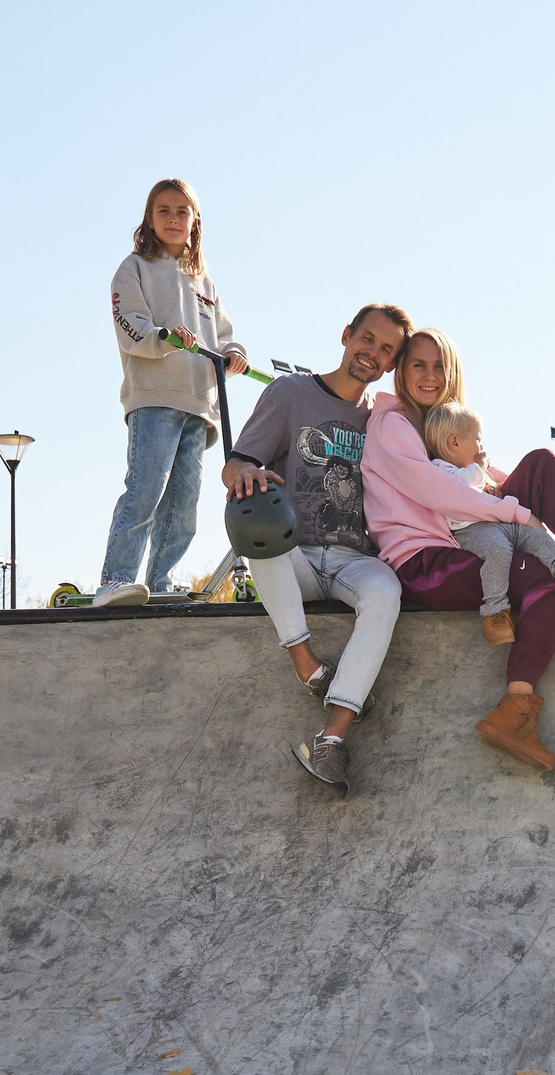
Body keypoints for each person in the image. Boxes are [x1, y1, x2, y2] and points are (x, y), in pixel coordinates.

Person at [358, 327, 555, 772]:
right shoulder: (393, 424)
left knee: (543, 464)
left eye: (439, 366)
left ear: (451, 374)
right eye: (418, 365)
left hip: (465, 543)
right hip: (425, 561)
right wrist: (518, 514)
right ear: (402, 373)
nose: (429, 376)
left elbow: (495, 479)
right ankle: (515, 709)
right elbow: (437, 492)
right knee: (549, 571)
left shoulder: (446, 426)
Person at [223, 303, 416, 794]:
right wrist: (245, 473)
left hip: (355, 559)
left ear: (391, 365)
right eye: (367, 339)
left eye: (386, 350)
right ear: (347, 334)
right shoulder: (290, 393)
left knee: (386, 591)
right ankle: (307, 664)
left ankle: (331, 738)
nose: (372, 353)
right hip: (295, 557)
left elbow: (444, 460)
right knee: (257, 514)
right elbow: (238, 464)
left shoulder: (386, 419)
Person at [97, 178, 247, 609]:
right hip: (155, 398)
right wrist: (163, 338)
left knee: (184, 504)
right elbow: (130, 326)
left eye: (182, 211)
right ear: (149, 218)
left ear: (195, 220)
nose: (173, 218)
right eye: (163, 210)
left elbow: (223, 335)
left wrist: (234, 354)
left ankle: (159, 581)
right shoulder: (134, 268)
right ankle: (116, 577)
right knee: (146, 488)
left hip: (200, 406)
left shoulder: (204, 280)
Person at [417, 401, 555, 647]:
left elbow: (499, 485)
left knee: (535, 537)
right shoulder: (441, 469)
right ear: (454, 443)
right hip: (471, 529)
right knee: (499, 551)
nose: (482, 447)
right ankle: (495, 611)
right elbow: (460, 489)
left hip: (501, 523)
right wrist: (480, 466)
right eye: (478, 440)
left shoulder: (477, 473)